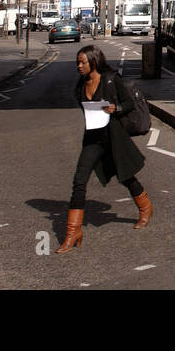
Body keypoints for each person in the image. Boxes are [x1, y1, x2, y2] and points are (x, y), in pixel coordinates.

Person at [57, 45, 151, 253]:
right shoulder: (80, 85)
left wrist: (115, 108)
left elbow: (128, 103)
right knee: (79, 180)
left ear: (94, 62)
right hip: (92, 139)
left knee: (126, 176)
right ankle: (73, 233)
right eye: (77, 63)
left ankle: (145, 209)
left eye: (83, 62)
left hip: (113, 137)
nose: (79, 66)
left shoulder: (111, 79)